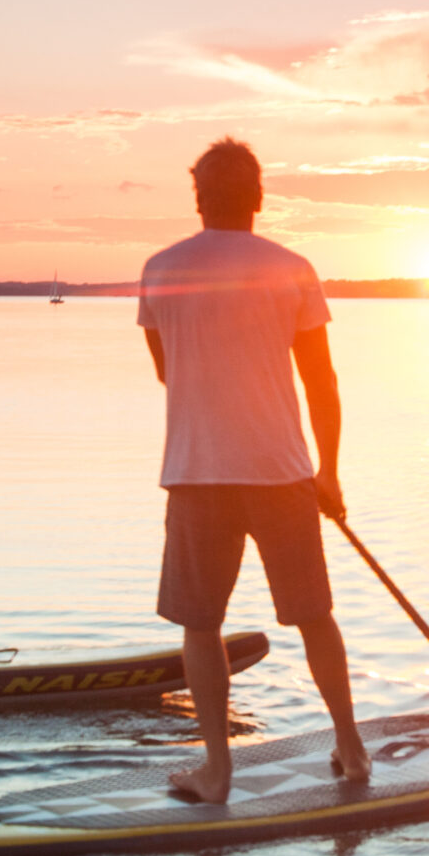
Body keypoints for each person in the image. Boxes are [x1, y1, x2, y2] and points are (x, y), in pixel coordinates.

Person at [138, 137, 369, 803]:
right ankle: (350, 747)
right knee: (314, 613)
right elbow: (321, 382)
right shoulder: (294, 267)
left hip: (197, 470)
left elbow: (165, 371)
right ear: (260, 199)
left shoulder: (160, 269)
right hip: (281, 472)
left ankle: (217, 771)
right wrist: (330, 472)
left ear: (199, 198)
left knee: (201, 622)